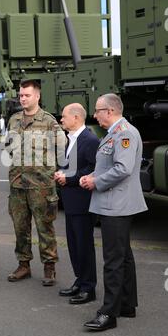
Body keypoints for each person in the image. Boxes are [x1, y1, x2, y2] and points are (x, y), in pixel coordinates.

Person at [80, 93, 148, 331]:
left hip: (116, 206)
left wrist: (95, 182)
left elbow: (123, 168)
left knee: (113, 260)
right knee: (123, 256)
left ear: (109, 111)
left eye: (97, 110)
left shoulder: (125, 133)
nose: (95, 115)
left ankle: (108, 313)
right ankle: (127, 304)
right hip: (113, 203)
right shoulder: (115, 133)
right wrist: (93, 176)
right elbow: (109, 165)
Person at [6, 79, 66, 286]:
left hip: (41, 186)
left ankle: (49, 267)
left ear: (37, 96)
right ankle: (24, 265)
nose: (22, 98)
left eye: (27, 95)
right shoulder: (13, 120)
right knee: (20, 228)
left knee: (44, 227)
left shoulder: (49, 121)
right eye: (20, 95)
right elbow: (8, 147)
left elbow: (61, 150)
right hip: (17, 184)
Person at [54, 103, 99, 304]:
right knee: (74, 244)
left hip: (82, 202)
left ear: (76, 118)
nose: (61, 120)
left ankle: (89, 288)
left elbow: (94, 169)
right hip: (71, 202)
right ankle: (80, 281)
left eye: (64, 116)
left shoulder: (89, 140)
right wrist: (61, 172)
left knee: (84, 246)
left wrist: (68, 178)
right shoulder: (71, 139)